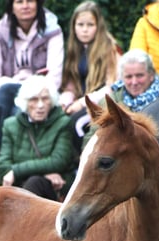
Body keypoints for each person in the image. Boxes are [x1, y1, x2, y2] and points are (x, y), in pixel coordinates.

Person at [0, 0, 64, 179]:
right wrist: (14, 82)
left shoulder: (53, 31)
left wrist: (28, 86)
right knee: (6, 91)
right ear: (11, 6)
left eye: (30, 1)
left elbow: (54, 78)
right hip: (4, 95)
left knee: (19, 105)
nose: (25, 6)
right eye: (19, 1)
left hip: (39, 94)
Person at [0, 75, 75, 201]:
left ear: (52, 101)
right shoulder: (10, 125)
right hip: (21, 188)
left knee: (35, 182)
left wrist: (16, 171)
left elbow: (58, 161)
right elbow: (3, 167)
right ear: (25, 102)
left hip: (54, 188)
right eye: (34, 99)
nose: (40, 105)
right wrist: (44, 172)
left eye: (45, 99)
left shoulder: (63, 123)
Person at [59, 1, 122, 153]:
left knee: (76, 124)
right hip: (78, 103)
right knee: (57, 120)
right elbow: (71, 83)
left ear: (98, 26)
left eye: (90, 25)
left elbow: (112, 86)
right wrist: (66, 100)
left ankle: (85, 165)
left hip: (101, 105)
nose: (85, 30)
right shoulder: (74, 48)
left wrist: (81, 104)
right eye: (80, 25)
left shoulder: (110, 48)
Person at [80, 49, 159, 149]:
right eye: (128, 77)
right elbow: (91, 138)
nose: (134, 82)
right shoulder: (109, 103)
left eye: (140, 75)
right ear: (122, 78)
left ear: (151, 75)